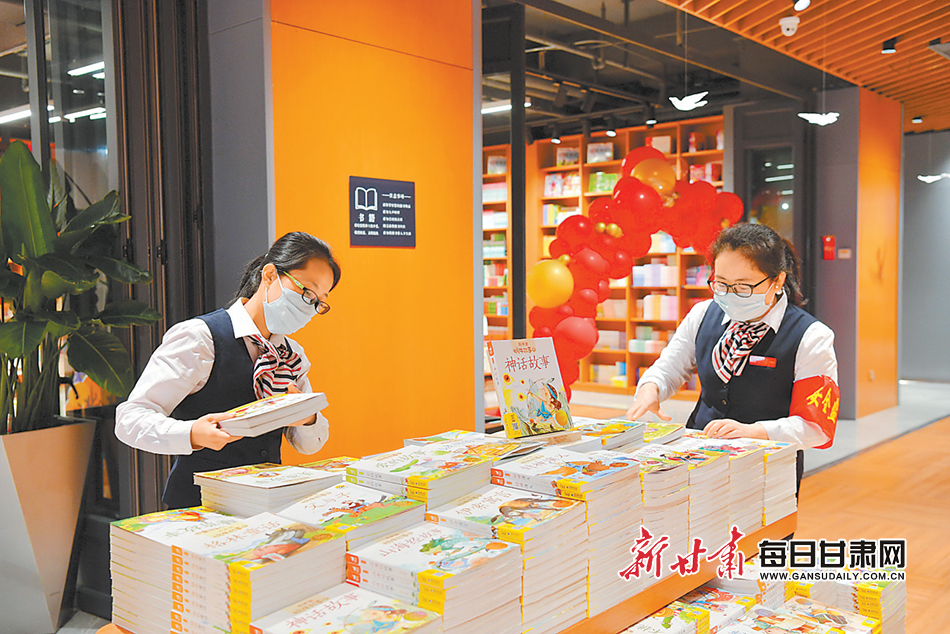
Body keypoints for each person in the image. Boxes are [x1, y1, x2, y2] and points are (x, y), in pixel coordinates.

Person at [115, 231, 341, 509]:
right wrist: (191, 433)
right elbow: (130, 419)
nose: (310, 307)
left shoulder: (291, 355)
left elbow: (310, 445)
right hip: (199, 507)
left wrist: (306, 417)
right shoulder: (200, 338)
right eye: (306, 292)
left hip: (264, 504)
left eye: (319, 301)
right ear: (270, 275)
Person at [625, 223, 839, 493]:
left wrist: (757, 432)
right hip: (698, 459)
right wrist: (651, 388)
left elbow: (816, 426)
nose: (729, 295)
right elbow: (669, 366)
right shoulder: (703, 314)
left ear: (777, 281)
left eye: (743, 287)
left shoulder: (811, 336)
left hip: (766, 470)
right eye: (722, 284)